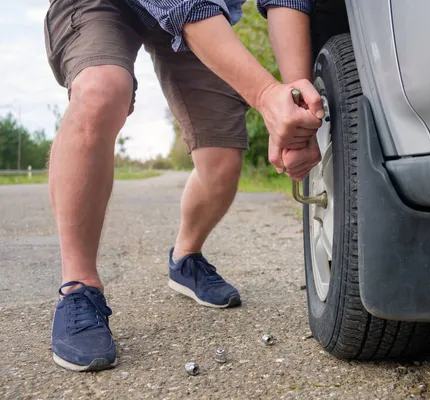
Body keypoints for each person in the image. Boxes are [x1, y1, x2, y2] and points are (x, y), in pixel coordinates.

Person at [44, 0, 323, 372]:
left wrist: (296, 105)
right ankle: (79, 287)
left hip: (203, 7)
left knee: (222, 156)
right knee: (102, 90)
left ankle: (185, 259)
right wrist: (262, 95)